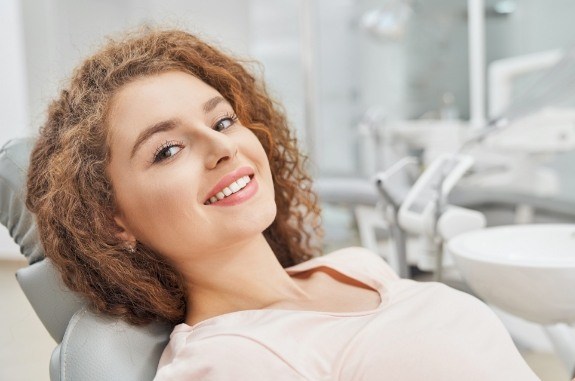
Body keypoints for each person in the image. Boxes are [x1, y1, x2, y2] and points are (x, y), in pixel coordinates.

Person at [26, 28, 541, 380]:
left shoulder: (352, 266)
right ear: (112, 221)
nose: (223, 146)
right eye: (168, 150)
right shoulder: (228, 361)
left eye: (222, 120)